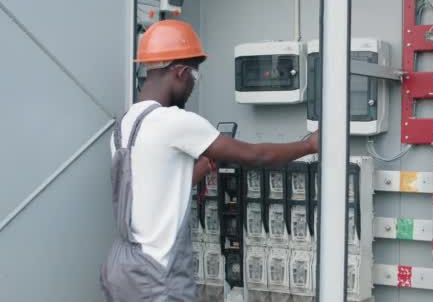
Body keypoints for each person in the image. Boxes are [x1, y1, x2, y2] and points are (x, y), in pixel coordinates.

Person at [100, 20, 319, 301]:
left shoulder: (125, 125)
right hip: (157, 276)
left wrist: (201, 168)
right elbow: (255, 156)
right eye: (195, 76)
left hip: (123, 270)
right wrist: (310, 144)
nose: (193, 86)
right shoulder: (174, 122)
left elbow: (155, 191)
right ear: (180, 72)